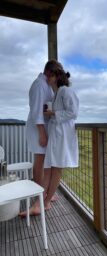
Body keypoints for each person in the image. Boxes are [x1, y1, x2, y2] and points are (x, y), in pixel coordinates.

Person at [19, 59, 63, 216]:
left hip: (44, 127)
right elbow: (36, 111)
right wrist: (42, 133)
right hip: (39, 129)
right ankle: (40, 195)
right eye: (56, 75)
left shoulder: (47, 85)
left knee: (45, 162)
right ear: (50, 73)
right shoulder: (39, 85)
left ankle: (44, 194)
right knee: (40, 161)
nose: (58, 79)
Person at [43, 68, 79, 211]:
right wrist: (51, 114)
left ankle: (46, 202)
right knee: (52, 166)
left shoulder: (66, 91)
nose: (47, 77)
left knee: (57, 167)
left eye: (50, 75)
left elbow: (73, 112)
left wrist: (53, 113)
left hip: (63, 134)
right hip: (57, 134)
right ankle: (46, 198)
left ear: (57, 77)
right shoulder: (56, 93)